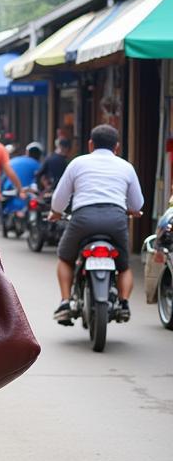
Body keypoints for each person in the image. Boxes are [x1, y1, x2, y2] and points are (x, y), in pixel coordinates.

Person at [49, 124, 144, 325]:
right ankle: (124, 303)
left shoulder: (77, 163)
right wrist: (131, 209)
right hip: (116, 220)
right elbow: (137, 204)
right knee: (124, 266)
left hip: (83, 219)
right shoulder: (126, 167)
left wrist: (56, 213)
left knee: (65, 258)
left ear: (90, 144)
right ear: (116, 147)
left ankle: (65, 302)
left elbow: (59, 199)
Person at [6, 142, 43, 215]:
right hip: (26, 196)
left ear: (27, 152)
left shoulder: (13, 161)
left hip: (9, 193)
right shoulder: (38, 165)